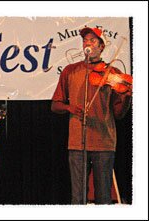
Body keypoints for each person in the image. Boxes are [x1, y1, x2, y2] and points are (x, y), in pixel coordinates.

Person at [51, 27, 132, 204]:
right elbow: (55, 105)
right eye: (85, 40)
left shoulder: (113, 73)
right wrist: (71, 108)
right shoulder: (70, 71)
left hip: (104, 141)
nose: (87, 43)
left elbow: (118, 114)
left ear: (101, 47)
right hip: (77, 141)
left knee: (103, 197)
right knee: (78, 197)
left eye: (93, 41)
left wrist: (126, 98)